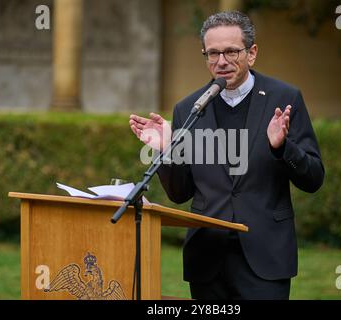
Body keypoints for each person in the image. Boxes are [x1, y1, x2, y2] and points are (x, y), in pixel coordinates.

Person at [129, 11, 324, 300]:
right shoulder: (189, 109)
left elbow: (313, 178)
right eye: (213, 53)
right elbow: (180, 192)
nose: (221, 62)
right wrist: (165, 149)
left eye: (232, 51)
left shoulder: (284, 99)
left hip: (265, 256)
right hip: (207, 260)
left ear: (252, 53)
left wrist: (283, 148)